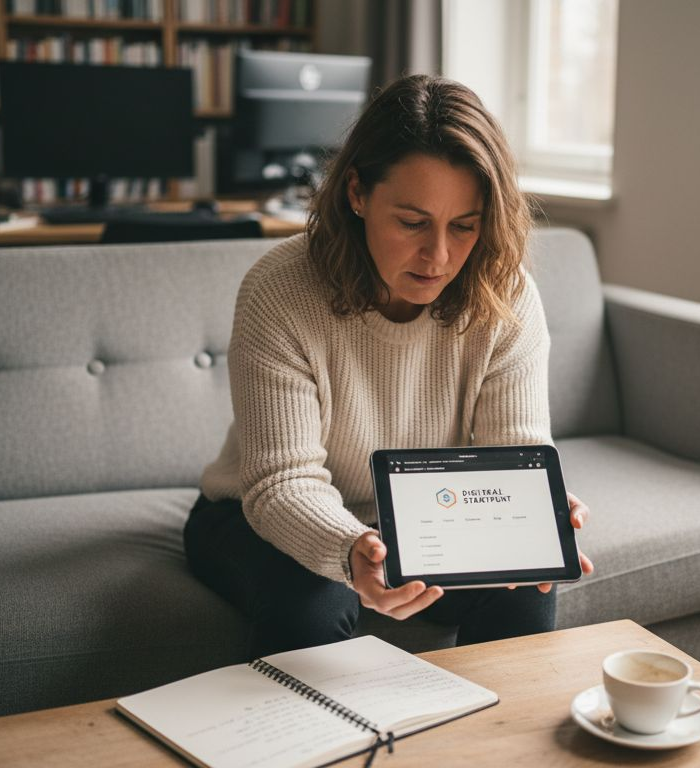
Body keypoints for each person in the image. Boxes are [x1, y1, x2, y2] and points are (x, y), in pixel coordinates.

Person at [184, 74, 594, 658]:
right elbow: (282, 483)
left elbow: (514, 452)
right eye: (412, 222)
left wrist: (531, 513)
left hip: (424, 519)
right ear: (357, 193)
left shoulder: (505, 294)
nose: (440, 256)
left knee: (524, 586)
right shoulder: (279, 291)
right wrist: (355, 551)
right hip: (253, 515)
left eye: (464, 226)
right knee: (315, 605)